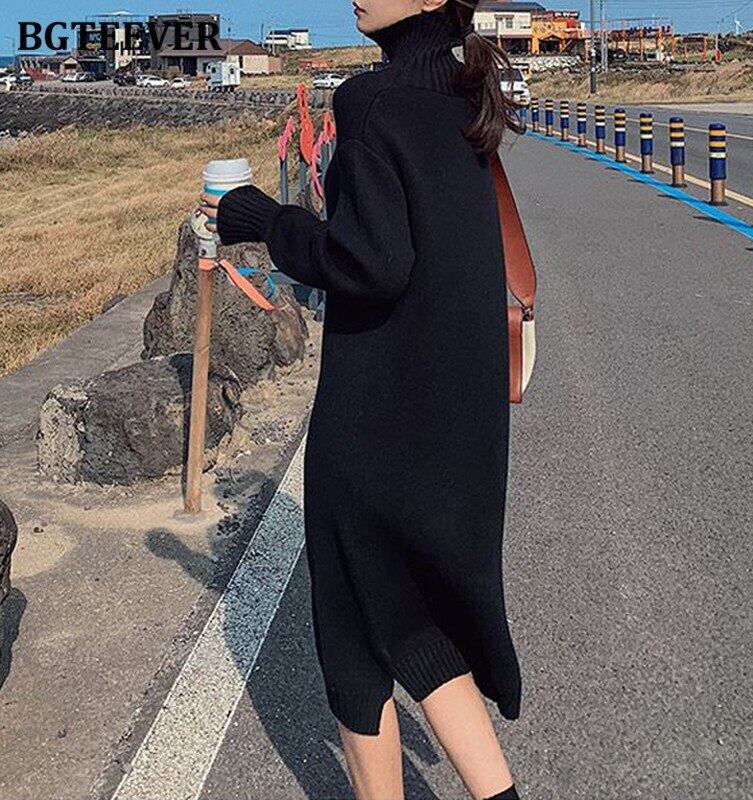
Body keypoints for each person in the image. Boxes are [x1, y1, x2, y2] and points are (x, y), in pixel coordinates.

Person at [199, 1, 528, 798]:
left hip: (379, 418)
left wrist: (256, 216)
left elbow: (368, 262)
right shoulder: (459, 91)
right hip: (461, 420)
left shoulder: (371, 102)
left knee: (353, 649)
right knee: (415, 624)